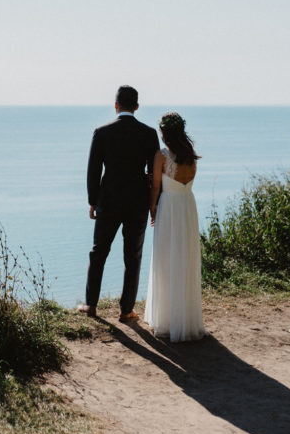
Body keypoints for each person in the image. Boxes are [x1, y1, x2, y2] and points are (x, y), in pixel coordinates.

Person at [78, 86, 159, 321]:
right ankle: (126, 310)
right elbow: (154, 173)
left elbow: (94, 170)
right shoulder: (149, 133)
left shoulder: (101, 132)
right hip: (138, 201)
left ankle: (91, 305)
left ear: (116, 105)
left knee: (98, 252)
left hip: (109, 200)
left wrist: (93, 201)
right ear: (136, 106)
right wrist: (154, 202)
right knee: (133, 256)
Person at [143, 111, 207, 342]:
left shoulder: (161, 155)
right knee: (185, 258)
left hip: (169, 208)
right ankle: (185, 317)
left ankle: (167, 318)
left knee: (165, 259)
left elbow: (156, 187)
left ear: (163, 132)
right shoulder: (190, 154)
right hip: (187, 207)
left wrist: (152, 208)